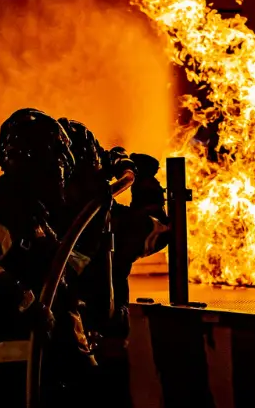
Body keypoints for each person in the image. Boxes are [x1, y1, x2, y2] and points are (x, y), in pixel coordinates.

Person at [0, 108, 95, 407]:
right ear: (38, 160)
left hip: (32, 362)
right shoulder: (4, 210)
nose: (62, 169)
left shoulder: (31, 213)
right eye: (58, 158)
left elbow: (68, 267)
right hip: (11, 366)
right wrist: (26, 306)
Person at [56, 118, 171, 407]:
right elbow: (157, 230)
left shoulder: (36, 215)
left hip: (53, 348)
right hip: (100, 346)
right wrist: (145, 184)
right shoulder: (102, 219)